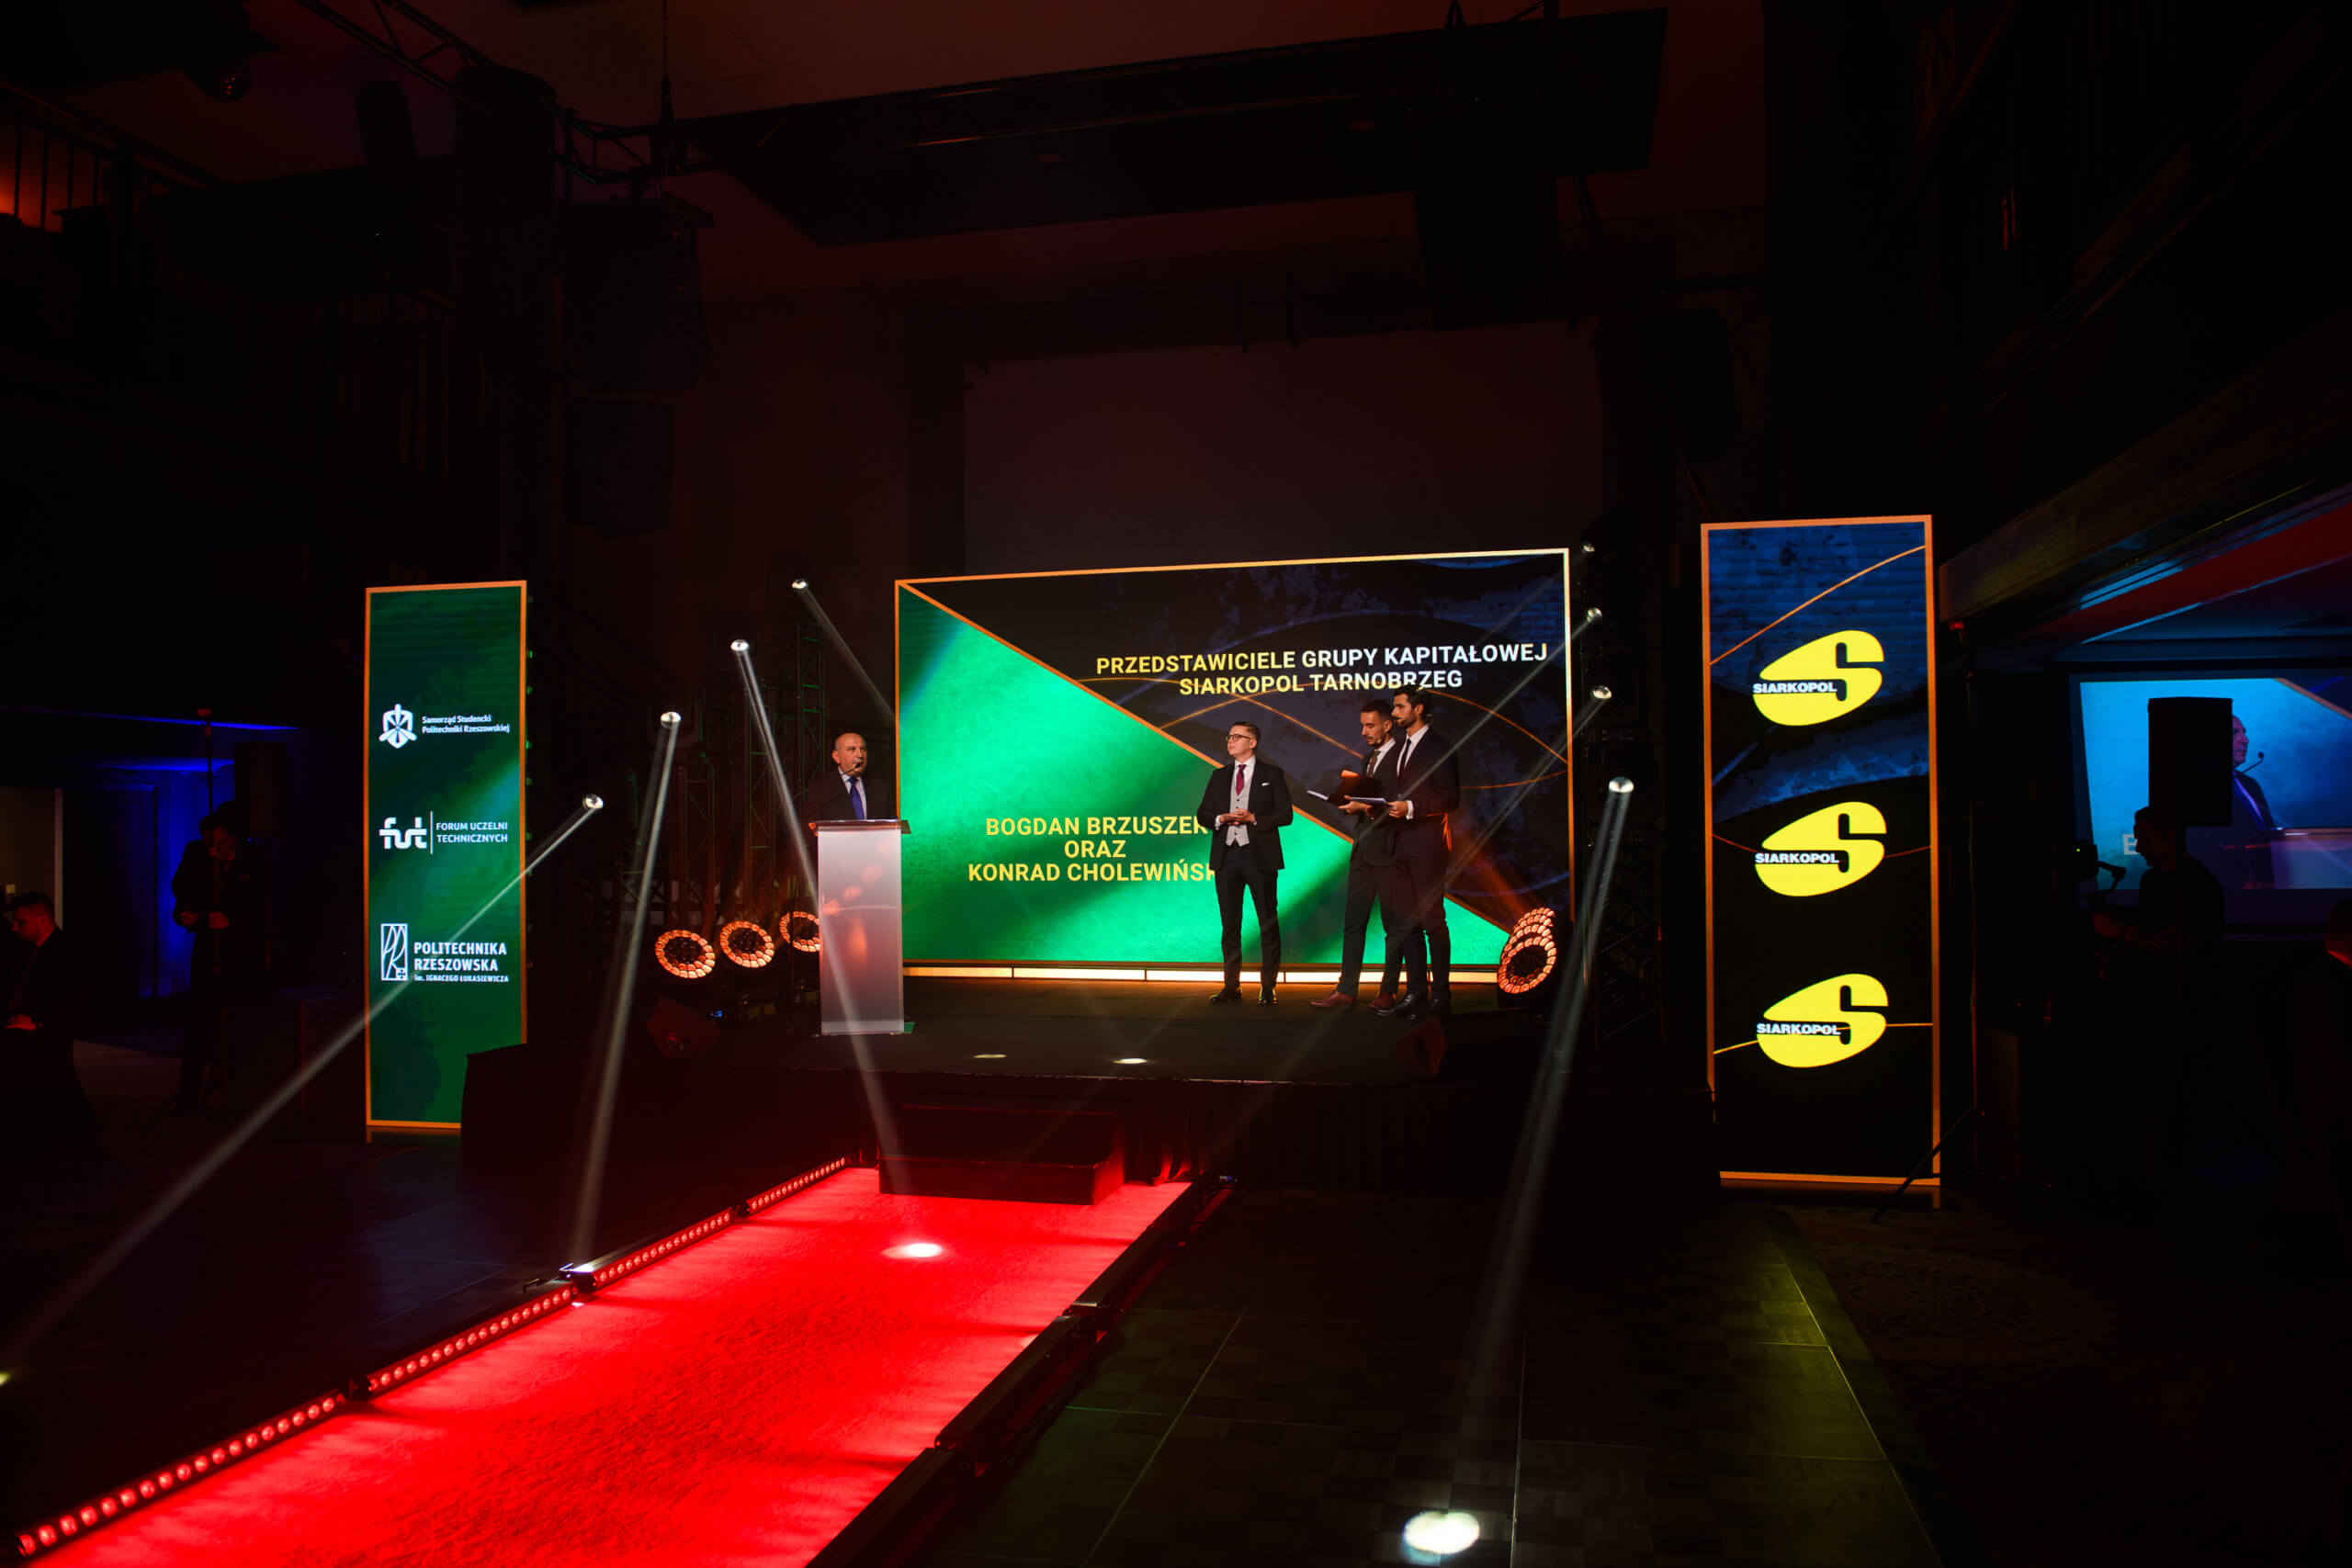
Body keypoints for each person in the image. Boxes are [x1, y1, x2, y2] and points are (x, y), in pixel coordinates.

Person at [1315, 700, 1420, 1010]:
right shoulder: (1368, 758)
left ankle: (1387, 991)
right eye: (1362, 725)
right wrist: (1352, 802)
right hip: (1363, 849)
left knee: (1393, 926)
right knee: (1353, 922)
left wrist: (1367, 807)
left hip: (1390, 851)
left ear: (1388, 725)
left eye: (1370, 725)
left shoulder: (1403, 757)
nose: (1364, 731)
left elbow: (1402, 804)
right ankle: (1346, 990)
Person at [175, 813, 270, 1113]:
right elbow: (183, 893)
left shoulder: (255, 860)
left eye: (221, 842)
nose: (214, 848)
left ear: (235, 839)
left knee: (240, 1026)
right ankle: (188, 1096)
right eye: (210, 843)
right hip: (208, 954)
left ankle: (240, 1094)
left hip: (240, 958)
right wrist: (188, 916)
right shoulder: (198, 857)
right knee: (197, 1026)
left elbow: (262, 906)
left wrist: (233, 921)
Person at [1375, 688, 1462, 1019]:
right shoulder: (1399, 747)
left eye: (1400, 707)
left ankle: (1441, 996)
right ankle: (1415, 994)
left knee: (1432, 921)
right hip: (1398, 845)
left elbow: (1450, 798)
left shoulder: (1439, 747)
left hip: (1427, 846)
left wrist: (1411, 807)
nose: (1394, 712)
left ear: (1419, 708)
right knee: (1406, 922)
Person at [1195, 720, 1294, 1005]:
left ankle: (1268, 986)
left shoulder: (1271, 774)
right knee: (1230, 925)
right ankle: (1231, 985)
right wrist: (1220, 818)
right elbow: (1202, 814)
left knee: (1267, 922)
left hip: (1259, 856)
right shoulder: (1219, 775)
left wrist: (1254, 819)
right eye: (1229, 736)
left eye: (1237, 736)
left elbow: (1286, 814)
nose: (1230, 740)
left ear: (1252, 743)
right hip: (1226, 856)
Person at [3, 891, 98, 1173]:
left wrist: (36, 1022)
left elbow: (71, 1001)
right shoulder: (29, 951)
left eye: (21, 922)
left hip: (45, 1028)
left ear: (41, 919)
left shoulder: (65, 952)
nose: (14, 928)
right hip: (25, 1022)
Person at [803, 730, 892, 825]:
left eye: (863, 749)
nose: (860, 755)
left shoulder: (880, 787)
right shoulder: (820, 789)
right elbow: (810, 828)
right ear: (837, 757)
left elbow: (893, 827)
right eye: (852, 749)